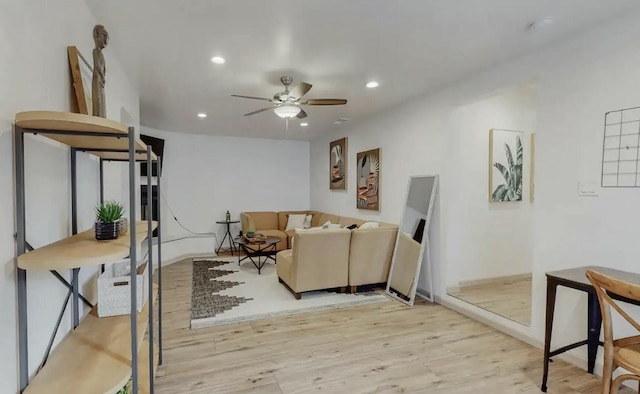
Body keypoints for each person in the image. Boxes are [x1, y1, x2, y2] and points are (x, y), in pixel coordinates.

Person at [92, 25, 109, 117]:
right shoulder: (96, 51)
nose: (106, 40)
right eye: (103, 35)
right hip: (98, 78)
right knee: (98, 99)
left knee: (102, 99)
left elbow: (104, 68)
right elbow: (98, 66)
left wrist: (103, 75)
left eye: (107, 37)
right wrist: (102, 76)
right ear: (96, 36)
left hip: (101, 80)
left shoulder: (101, 54)